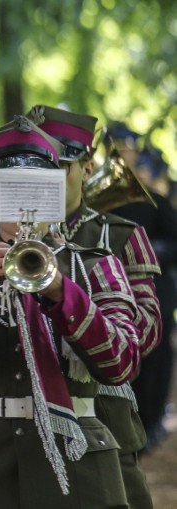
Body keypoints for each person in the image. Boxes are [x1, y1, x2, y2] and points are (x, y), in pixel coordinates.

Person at [0, 116, 141, 509]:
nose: (28, 201)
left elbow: (122, 364)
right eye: (13, 189)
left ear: (57, 192)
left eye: (40, 188)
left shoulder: (98, 265)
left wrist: (62, 291)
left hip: (79, 456)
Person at [25, 105, 162, 509]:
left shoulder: (119, 236)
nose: (48, 180)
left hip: (102, 415)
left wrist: (95, 305)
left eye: (61, 168)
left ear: (87, 168)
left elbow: (149, 331)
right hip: (17, 421)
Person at [108, 122, 177, 452]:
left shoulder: (157, 202)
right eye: (116, 149)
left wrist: (154, 251)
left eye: (127, 149)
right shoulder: (102, 202)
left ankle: (149, 424)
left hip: (154, 296)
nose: (122, 156)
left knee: (154, 362)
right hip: (111, 294)